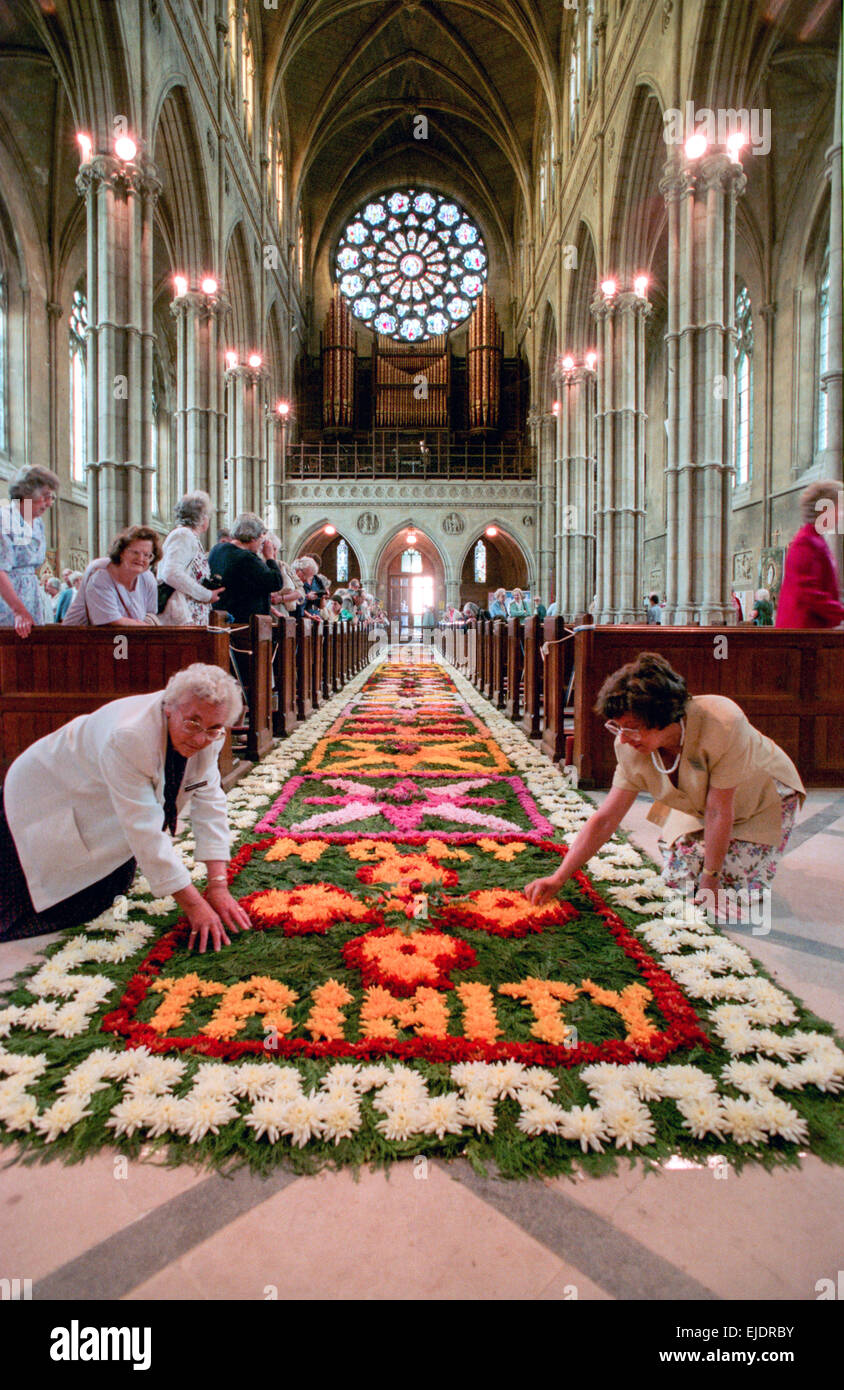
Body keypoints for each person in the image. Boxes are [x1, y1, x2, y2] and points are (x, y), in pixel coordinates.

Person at [524, 651, 805, 920]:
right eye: (617, 726)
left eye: (631, 726)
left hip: (762, 795)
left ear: (662, 716)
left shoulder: (722, 722)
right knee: (679, 881)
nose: (623, 737)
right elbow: (606, 818)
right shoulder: (629, 746)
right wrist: (559, 876)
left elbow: (719, 810)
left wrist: (711, 880)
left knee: (727, 888)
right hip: (700, 802)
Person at [0, 663, 251, 952]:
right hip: (45, 794)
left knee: (107, 890)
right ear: (170, 707)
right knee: (40, 897)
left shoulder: (210, 730)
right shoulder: (130, 735)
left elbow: (208, 799)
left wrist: (218, 886)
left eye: (213, 729)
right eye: (192, 723)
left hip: (97, 797)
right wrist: (195, 906)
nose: (200, 739)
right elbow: (144, 830)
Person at [775, 480, 844, 629]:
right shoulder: (805, 541)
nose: (841, 514)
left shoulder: (815, 539)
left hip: (812, 630)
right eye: (839, 508)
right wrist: (840, 612)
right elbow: (807, 592)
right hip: (801, 631)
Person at [0, 465, 60, 636]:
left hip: (32, 595)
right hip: (7, 600)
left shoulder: (37, 521)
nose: (49, 503)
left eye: (52, 497)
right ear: (26, 493)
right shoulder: (4, 519)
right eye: (45, 497)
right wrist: (18, 611)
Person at [64, 526, 161, 626]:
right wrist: (147, 627)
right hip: (79, 636)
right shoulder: (100, 575)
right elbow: (112, 621)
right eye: (135, 552)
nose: (140, 558)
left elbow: (150, 613)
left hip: (125, 638)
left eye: (147, 555)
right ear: (122, 552)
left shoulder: (148, 578)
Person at [157, 491, 225, 625]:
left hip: (192, 612)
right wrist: (206, 594)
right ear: (203, 517)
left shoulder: (190, 537)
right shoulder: (183, 535)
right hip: (182, 614)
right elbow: (171, 573)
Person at [211, 513, 285, 623]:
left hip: (221, 617)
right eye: (261, 538)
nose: (261, 544)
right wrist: (270, 557)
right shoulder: (246, 558)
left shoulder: (217, 550)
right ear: (253, 537)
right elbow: (276, 582)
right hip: (244, 622)